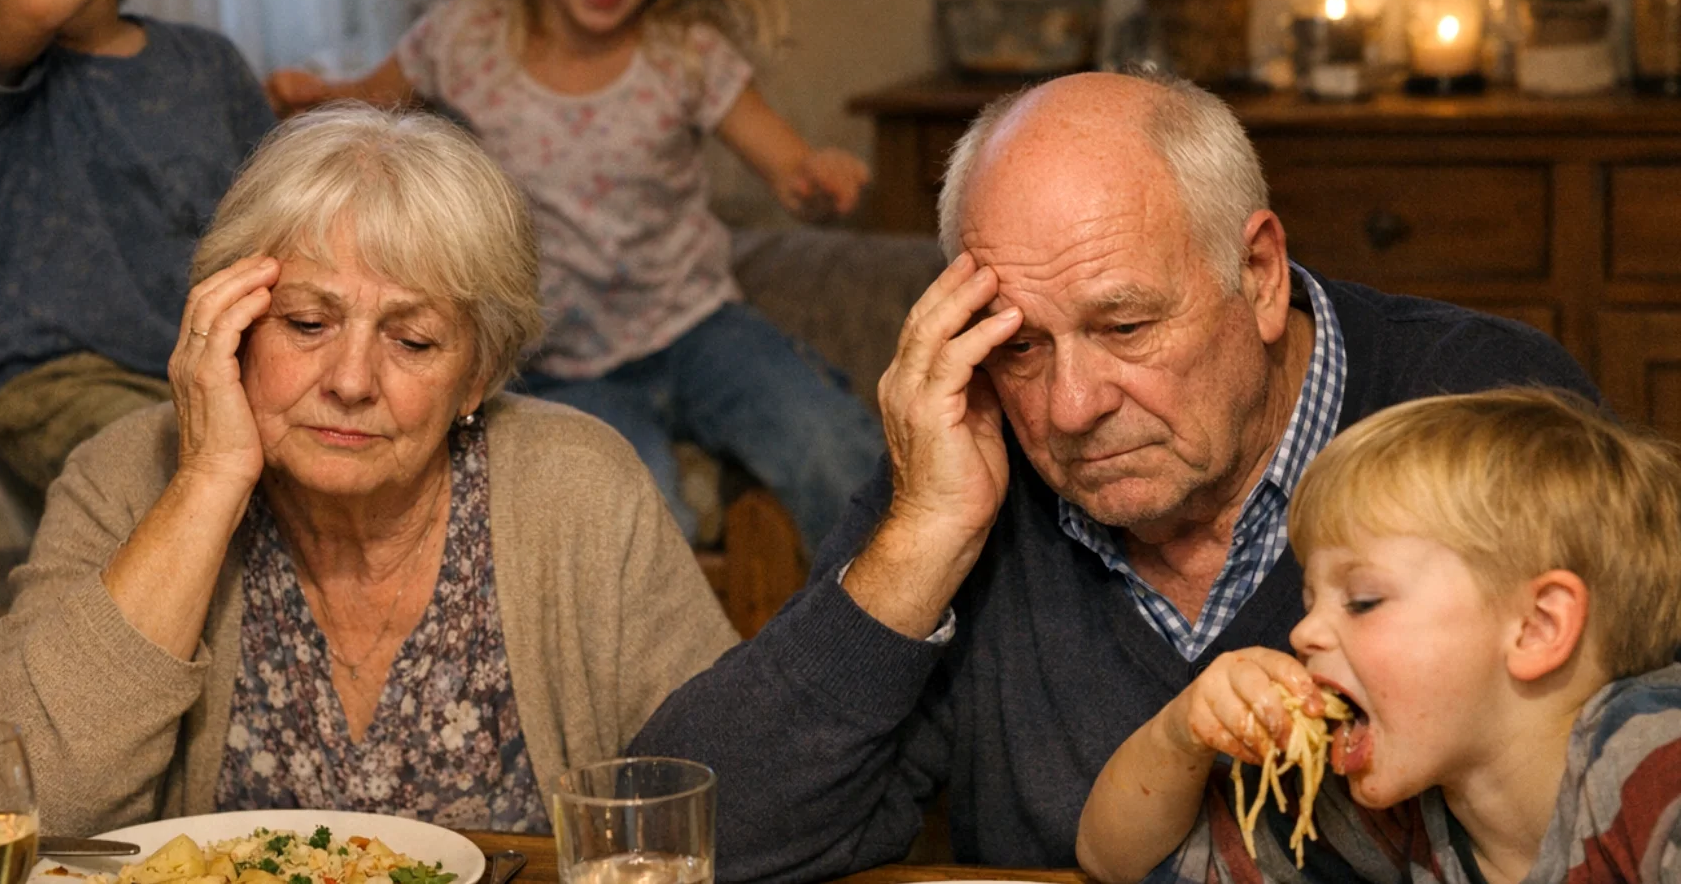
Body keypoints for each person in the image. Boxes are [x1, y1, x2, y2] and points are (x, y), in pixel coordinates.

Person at [627, 69, 1604, 879]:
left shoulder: (1490, 412)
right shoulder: (963, 465)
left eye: (1125, 326)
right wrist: (924, 539)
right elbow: (683, 844)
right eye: (1020, 347)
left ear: (1258, 274)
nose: (1069, 406)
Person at [0, 105, 739, 836]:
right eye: (308, 322)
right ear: (235, 324)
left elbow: (725, 794)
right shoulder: (127, 474)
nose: (352, 380)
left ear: (478, 375)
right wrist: (206, 483)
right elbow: (2, 811)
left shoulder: (578, 486)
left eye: (413, 340)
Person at [263, 0, 883, 550]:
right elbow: (368, 108)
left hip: (699, 329)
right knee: (636, 520)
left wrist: (816, 178)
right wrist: (313, 97)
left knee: (828, 444)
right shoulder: (465, 37)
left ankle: (894, 630)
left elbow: (789, 168)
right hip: (555, 362)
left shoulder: (691, 52)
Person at [1075, 388, 1681, 884]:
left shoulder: (1654, 764)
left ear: (1536, 627)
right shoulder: (1396, 811)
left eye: (1363, 600)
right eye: (1311, 600)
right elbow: (1119, 864)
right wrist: (1181, 733)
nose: (1304, 631)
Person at [0, 0, 276, 491]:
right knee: (181, 480)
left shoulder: (209, 61)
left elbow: (279, 213)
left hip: (218, 370)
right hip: (62, 382)